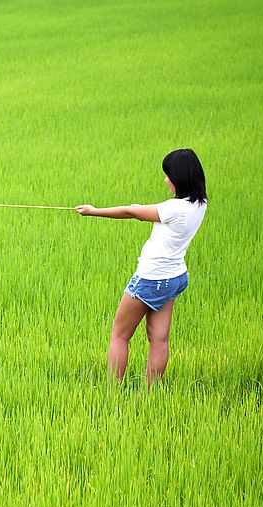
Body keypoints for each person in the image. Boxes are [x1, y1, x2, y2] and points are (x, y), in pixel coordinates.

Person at [76, 148, 207, 386]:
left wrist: (93, 211)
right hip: (175, 277)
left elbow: (132, 212)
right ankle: (149, 397)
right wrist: (139, 207)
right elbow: (146, 210)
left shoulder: (173, 209)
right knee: (159, 339)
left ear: (181, 178)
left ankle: (110, 394)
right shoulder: (199, 204)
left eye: (169, 175)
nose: (166, 179)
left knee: (119, 335)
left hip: (151, 279)